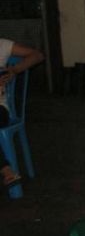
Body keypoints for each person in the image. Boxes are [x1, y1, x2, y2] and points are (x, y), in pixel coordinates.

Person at [0, 39, 43, 187]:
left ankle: (6, 171)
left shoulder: (2, 45)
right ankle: (6, 169)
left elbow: (37, 55)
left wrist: (14, 70)